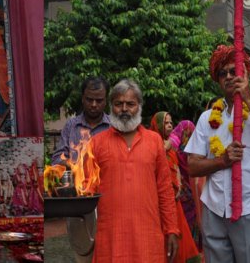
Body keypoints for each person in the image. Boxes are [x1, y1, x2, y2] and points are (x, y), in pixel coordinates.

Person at [185, 45, 250, 263]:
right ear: (217, 79)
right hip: (214, 208)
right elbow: (192, 166)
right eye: (222, 73)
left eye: (233, 71)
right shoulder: (207, 118)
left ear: (245, 72)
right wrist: (222, 161)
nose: (228, 76)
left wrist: (248, 100)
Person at [89, 79, 179, 262]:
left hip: (148, 237)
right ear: (111, 107)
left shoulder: (154, 141)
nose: (124, 109)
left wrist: (171, 229)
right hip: (110, 237)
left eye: (130, 104)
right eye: (118, 104)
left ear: (139, 106)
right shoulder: (96, 143)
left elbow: (165, 190)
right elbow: (85, 190)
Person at [51, 76, 110, 263]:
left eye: (99, 100)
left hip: (107, 199)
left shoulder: (114, 127)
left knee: (108, 250)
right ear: (82, 98)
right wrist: (67, 164)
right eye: (89, 99)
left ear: (106, 100)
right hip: (78, 200)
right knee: (82, 250)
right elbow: (58, 157)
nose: (93, 104)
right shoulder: (71, 125)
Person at [150, 112, 200, 263]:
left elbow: (176, 169)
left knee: (179, 238)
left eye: (171, 122)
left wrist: (177, 186)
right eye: (166, 123)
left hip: (176, 200)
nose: (170, 125)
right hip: (161, 202)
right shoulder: (154, 147)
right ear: (157, 125)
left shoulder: (171, 148)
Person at [168, 120, 203, 250]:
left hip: (193, 196)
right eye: (185, 133)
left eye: (190, 133)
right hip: (182, 197)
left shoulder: (196, 153)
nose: (187, 136)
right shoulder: (172, 152)